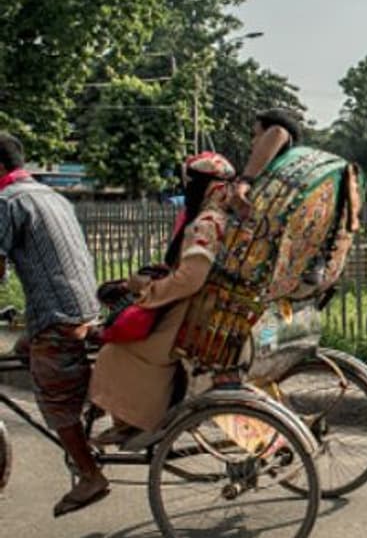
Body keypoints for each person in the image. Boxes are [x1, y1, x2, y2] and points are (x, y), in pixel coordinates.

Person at [89, 152, 237, 445]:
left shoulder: (206, 224)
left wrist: (147, 290)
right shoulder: (224, 219)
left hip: (183, 316)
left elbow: (189, 280)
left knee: (115, 351)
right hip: (201, 308)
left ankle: (133, 421)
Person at [0, 132, 108, 516]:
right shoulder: (51, 195)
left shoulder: (6, 202)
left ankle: (89, 473)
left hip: (57, 318)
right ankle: (85, 419)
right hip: (84, 306)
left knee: (53, 399)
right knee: (22, 349)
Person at [231, 107, 302, 216]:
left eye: (257, 135)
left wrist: (245, 183)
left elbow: (278, 132)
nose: (253, 141)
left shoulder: (278, 133)